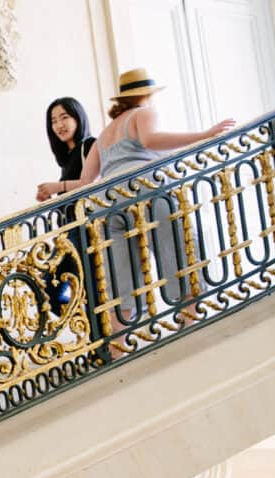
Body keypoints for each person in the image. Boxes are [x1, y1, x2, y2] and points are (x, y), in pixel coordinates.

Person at [73, 68, 235, 331]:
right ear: (147, 94)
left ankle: (118, 344)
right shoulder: (143, 113)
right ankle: (189, 320)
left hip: (110, 202)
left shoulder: (103, 135)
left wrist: (53, 188)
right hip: (144, 189)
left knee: (122, 273)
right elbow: (150, 140)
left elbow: (84, 182)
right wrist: (204, 135)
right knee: (178, 251)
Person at [34, 97, 98, 314]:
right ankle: (80, 319)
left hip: (85, 228)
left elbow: (89, 183)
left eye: (64, 117)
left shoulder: (89, 145)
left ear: (78, 117)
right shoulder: (67, 159)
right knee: (49, 286)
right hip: (68, 230)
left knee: (90, 285)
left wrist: (56, 186)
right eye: (53, 121)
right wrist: (53, 194)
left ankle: (93, 328)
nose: (59, 125)